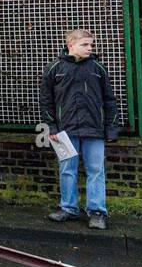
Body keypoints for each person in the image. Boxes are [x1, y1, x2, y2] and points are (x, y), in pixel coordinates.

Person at [41, 28, 119, 229]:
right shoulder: (54, 68)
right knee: (67, 169)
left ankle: (97, 212)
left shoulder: (98, 69)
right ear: (71, 45)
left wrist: (111, 127)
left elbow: (109, 100)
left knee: (96, 170)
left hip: (94, 129)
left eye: (91, 44)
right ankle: (68, 208)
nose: (90, 48)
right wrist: (51, 127)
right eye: (85, 44)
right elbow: (46, 101)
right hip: (64, 130)